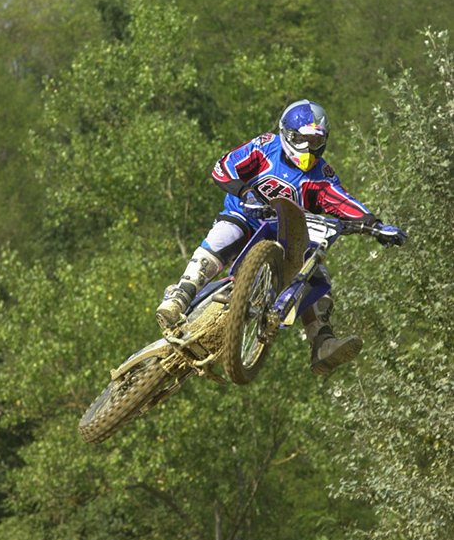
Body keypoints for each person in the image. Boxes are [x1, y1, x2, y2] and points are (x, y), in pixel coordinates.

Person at [156, 99, 406, 375]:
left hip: (286, 234)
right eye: (302, 140)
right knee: (224, 235)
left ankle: (322, 342)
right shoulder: (264, 148)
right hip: (244, 217)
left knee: (315, 272)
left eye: (315, 141)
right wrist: (245, 192)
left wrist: (375, 225)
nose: (308, 148)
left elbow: (343, 201)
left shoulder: (321, 176)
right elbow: (223, 168)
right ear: (287, 134)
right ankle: (180, 295)